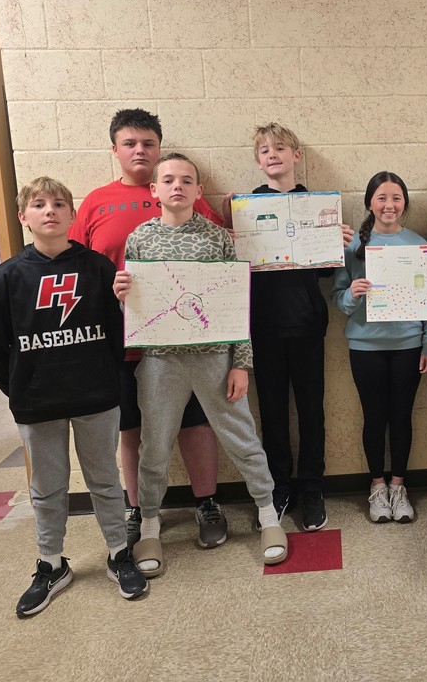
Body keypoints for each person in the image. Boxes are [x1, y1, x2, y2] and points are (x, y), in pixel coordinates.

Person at [0, 177, 147, 616]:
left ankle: (117, 552)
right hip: (38, 402)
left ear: (73, 215)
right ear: (23, 217)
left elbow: (119, 330)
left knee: (105, 481)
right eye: (39, 204)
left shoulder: (97, 268)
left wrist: (107, 378)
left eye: (59, 204)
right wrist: (19, 389)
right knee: (47, 488)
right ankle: (51, 563)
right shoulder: (6, 278)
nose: (50, 211)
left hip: (96, 395)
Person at [113, 153, 287, 575]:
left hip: (215, 358)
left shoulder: (217, 238)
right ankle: (151, 524)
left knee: (242, 437)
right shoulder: (139, 239)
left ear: (197, 190)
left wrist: (241, 363)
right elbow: (138, 312)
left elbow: (235, 304)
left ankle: (268, 515)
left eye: (186, 180)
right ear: (154, 189)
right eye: (168, 179)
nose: (177, 186)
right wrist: (122, 299)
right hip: (159, 362)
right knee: (154, 445)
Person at [69, 108, 229, 551]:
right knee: (132, 429)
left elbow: (224, 256)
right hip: (123, 340)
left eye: (148, 144)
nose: (139, 151)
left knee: (196, 424)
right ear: (115, 150)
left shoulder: (188, 194)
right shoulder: (97, 202)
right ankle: (138, 509)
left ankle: (207, 503)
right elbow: (78, 264)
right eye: (129, 144)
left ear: (159, 149)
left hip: (184, 341)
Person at [248, 123, 352, 532]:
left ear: (296, 155)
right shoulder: (246, 207)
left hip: (307, 323)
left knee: (311, 411)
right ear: (258, 161)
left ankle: (312, 487)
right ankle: (278, 487)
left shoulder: (317, 205)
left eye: (280, 148)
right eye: (264, 150)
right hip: (264, 325)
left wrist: (336, 242)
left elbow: (325, 272)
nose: (272, 154)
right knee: (272, 413)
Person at [331, 172, 427, 523]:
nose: (389, 205)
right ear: (369, 203)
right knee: (374, 417)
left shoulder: (418, 243)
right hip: (365, 345)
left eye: (396, 197)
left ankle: (399, 486)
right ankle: (377, 487)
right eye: (381, 198)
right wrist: (351, 294)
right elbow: (337, 297)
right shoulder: (352, 246)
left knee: (401, 417)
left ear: (404, 202)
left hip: (408, 344)